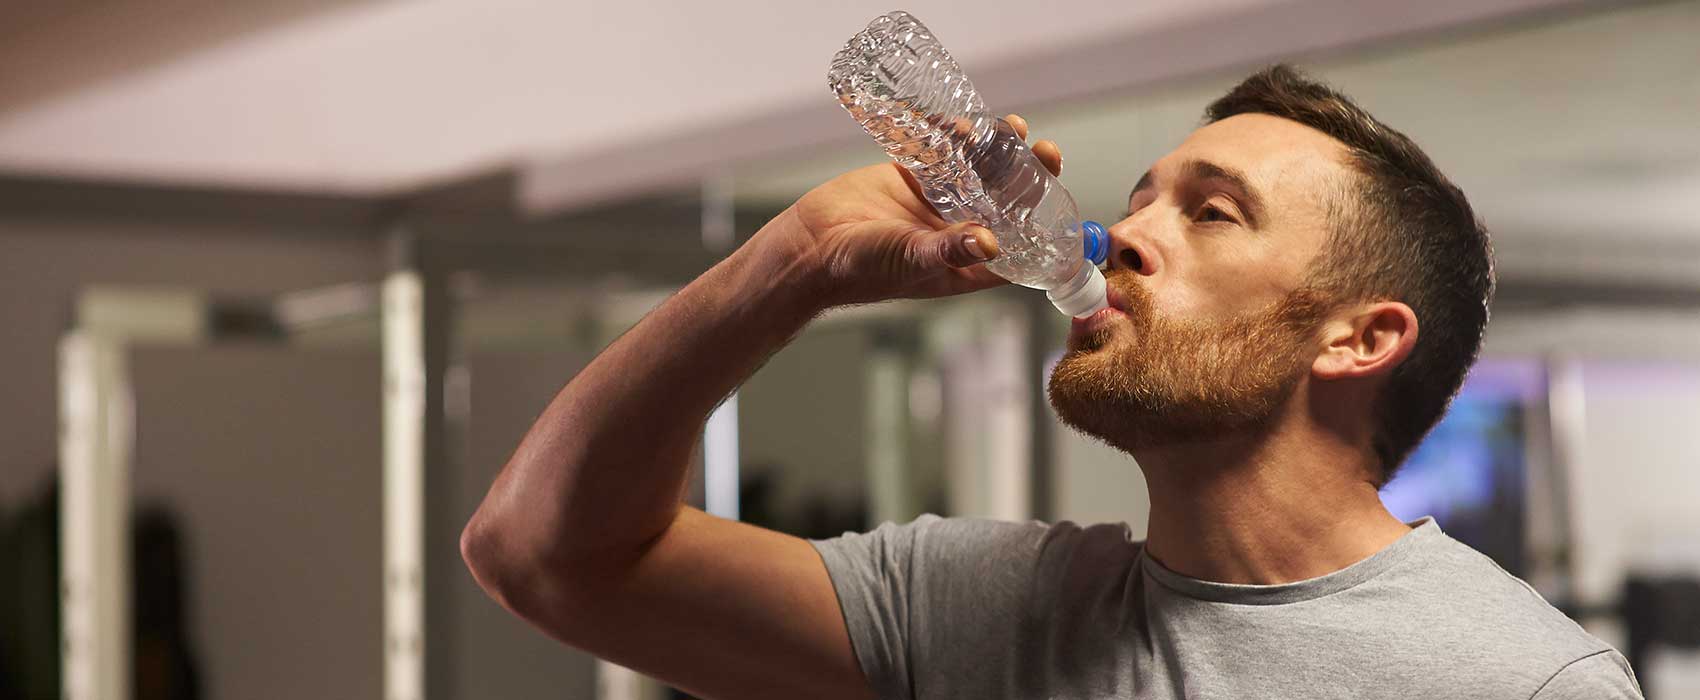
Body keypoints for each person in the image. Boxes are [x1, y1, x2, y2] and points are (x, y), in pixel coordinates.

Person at [460, 65, 1641, 699]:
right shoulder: (988, 609)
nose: (1120, 235)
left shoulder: (1520, 680)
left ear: (1354, 338)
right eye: (1135, 198)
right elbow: (541, 555)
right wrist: (792, 267)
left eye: (1209, 212)